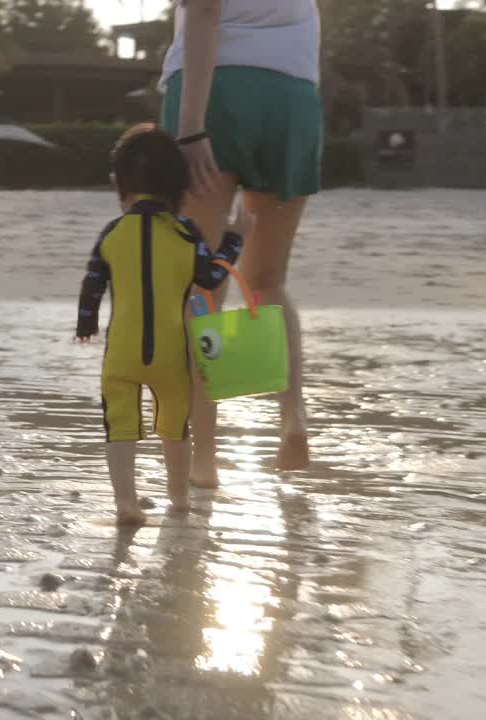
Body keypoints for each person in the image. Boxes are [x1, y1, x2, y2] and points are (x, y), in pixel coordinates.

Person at [159, 0, 324, 485]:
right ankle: (292, 415)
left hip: (218, 91)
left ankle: (204, 458)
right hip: (293, 96)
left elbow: (205, 13)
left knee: (202, 286)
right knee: (268, 280)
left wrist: (190, 127)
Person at [76, 124, 253, 525]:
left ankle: (125, 502)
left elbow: (92, 282)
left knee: (119, 425)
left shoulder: (112, 233)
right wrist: (235, 238)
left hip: (121, 353)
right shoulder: (186, 233)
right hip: (171, 356)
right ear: (182, 189)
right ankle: (179, 500)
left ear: (117, 186)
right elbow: (211, 277)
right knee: (174, 425)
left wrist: (86, 323)